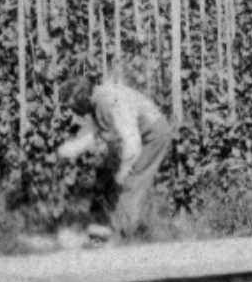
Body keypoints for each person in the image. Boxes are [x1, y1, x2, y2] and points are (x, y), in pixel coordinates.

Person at [54, 67, 174, 239]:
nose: (73, 113)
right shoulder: (97, 102)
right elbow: (93, 135)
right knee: (114, 182)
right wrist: (66, 151)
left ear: (81, 99)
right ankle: (118, 230)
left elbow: (131, 141)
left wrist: (124, 169)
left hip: (153, 135)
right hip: (141, 135)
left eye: (73, 106)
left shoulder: (107, 101)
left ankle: (124, 237)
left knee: (131, 181)